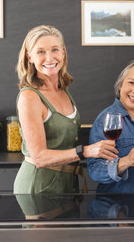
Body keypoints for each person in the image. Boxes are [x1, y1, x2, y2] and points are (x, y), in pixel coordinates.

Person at [13, 25, 117, 194]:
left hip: (68, 185)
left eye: (54, 49)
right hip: (40, 185)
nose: (49, 57)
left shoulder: (64, 90)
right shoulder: (29, 97)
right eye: (40, 52)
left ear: (63, 52)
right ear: (29, 56)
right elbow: (39, 157)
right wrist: (86, 151)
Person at [88, 59, 134, 193]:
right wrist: (126, 161)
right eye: (131, 83)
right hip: (120, 208)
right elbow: (95, 171)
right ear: (120, 85)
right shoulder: (106, 120)